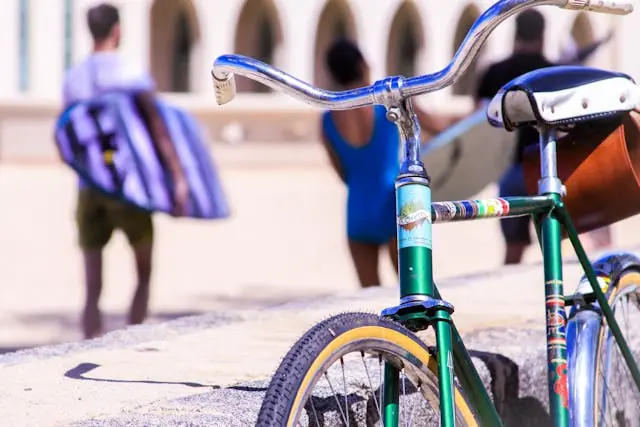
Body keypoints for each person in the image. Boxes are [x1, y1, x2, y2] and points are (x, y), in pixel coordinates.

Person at [62, 3, 189, 338]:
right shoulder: (131, 73)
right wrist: (177, 177)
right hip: (130, 186)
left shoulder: (74, 78)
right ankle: (129, 342)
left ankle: (89, 345)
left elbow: (68, 134)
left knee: (91, 288)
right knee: (144, 273)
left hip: (89, 186)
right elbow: (157, 128)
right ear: (116, 30)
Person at [475, 10, 612, 265]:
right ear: (542, 35)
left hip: (509, 170)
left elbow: (477, 123)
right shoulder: (551, 73)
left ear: (515, 33)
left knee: (513, 250)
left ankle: (511, 296)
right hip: (545, 168)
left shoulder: (494, 72)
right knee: (554, 247)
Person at [321, 38, 459, 287]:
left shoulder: (327, 121)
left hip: (357, 210)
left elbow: (343, 172)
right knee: (413, 292)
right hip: (394, 205)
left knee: (369, 295)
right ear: (363, 65)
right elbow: (438, 128)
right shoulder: (389, 102)